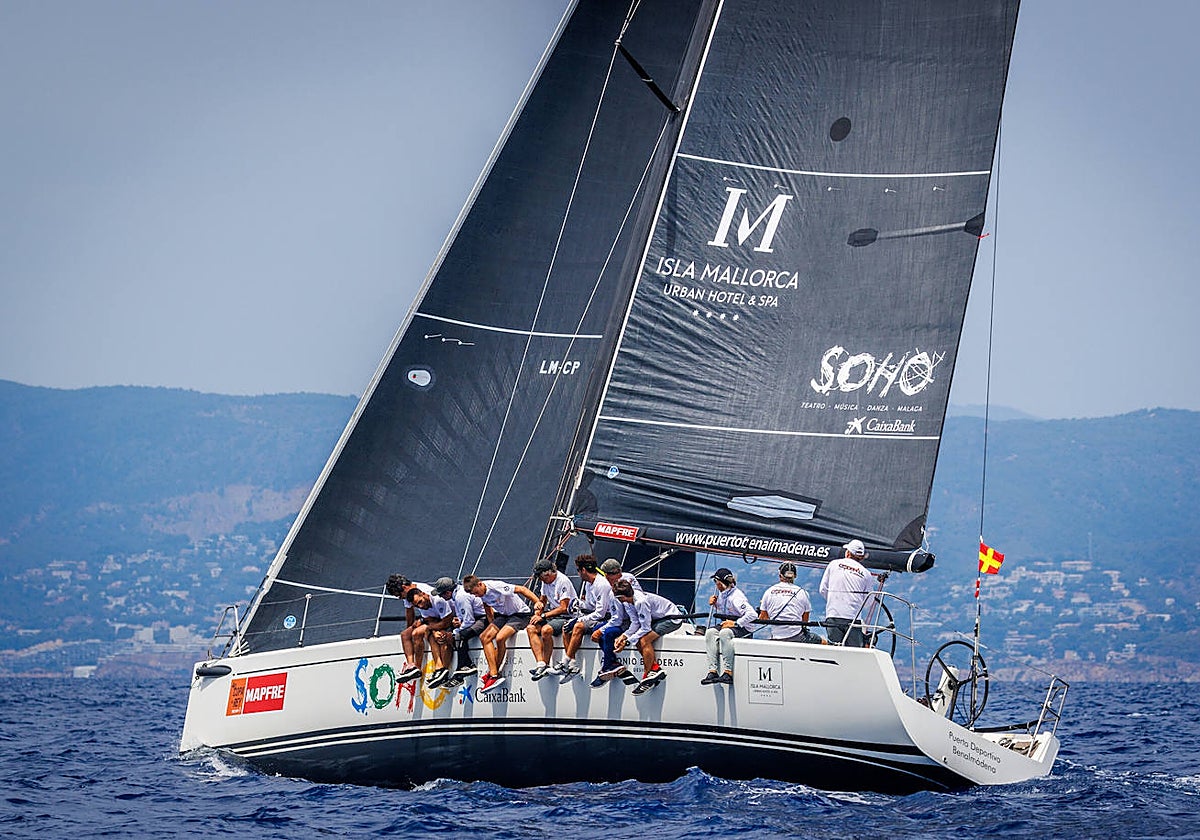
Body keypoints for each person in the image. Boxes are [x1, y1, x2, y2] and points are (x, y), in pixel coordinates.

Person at [603, 579, 683, 695]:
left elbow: (645, 628)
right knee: (637, 640)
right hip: (658, 618)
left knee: (644, 640)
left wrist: (627, 643)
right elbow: (635, 623)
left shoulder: (640, 602)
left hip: (672, 619)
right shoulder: (627, 602)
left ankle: (647, 676)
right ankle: (655, 669)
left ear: (622, 597)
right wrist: (623, 637)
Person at [463, 574, 538, 694]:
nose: (476, 595)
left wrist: (537, 602)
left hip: (520, 615)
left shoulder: (496, 586)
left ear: (480, 584)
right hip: (504, 616)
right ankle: (493, 673)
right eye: (474, 594)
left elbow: (522, 589)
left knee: (500, 638)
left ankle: (493, 675)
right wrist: (492, 624)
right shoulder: (481, 593)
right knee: (484, 637)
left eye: (476, 592)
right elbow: (487, 607)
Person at [819, 539, 883, 647]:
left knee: (834, 650)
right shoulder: (866, 573)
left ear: (848, 553)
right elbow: (869, 601)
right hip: (853, 618)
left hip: (833, 615)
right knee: (854, 652)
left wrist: (834, 600)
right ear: (861, 557)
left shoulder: (833, 564)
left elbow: (823, 590)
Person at [701, 567, 757, 685]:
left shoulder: (736, 597)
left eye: (716, 582)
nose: (715, 585)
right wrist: (716, 604)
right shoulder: (723, 594)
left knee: (724, 633)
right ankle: (713, 671)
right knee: (710, 632)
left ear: (720, 583)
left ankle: (728, 672)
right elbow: (726, 610)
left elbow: (752, 614)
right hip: (728, 623)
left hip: (743, 627)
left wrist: (736, 623)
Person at [526, 557, 578, 680]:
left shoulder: (562, 581)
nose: (540, 580)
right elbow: (543, 600)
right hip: (553, 615)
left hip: (567, 615)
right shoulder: (546, 582)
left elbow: (564, 608)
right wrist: (538, 611)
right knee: (530, 628)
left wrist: (543, 616)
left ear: (548, 573)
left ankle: (546, 662)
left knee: (546, 630)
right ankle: (541, 664)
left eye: (541, 577)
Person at [559, 554, 609, 682]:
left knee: (578, 626)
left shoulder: (602, 584)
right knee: (566, 627)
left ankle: (565, 661)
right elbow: (589, 605)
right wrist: (578, 603)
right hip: (594, 615)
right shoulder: (588, 584)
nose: (578, 573)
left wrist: (579, 619)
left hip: (605, 618)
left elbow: (600, 613)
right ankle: (573, 665)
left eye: (578, 570)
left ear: (583, 570)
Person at [406, 581, 457, 689]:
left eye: (420, 602)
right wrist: (434, 631)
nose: (420, 606)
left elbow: (446, 622)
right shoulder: (423, 607)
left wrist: (435, 630)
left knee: (442, 637)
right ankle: (438, 668)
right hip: (441, 621)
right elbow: (430, 621)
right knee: (428, 634)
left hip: (453, 618)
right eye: (417, 605)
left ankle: (444, 670)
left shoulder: (438, 600)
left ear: (424, 594)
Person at [757, 562, 823, 644]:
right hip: (798, 637)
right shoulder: (802, 592)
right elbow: (805, 621)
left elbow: (763, 619)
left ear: (780, 575)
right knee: (824, 642)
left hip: (777, 637)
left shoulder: (768, 592)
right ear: (795, 576)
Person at [441, 576, 487, 681]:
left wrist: (455, 632)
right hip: (476, 618)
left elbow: (469, 621)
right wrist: (458, 622)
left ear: (447, 593)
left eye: (441, 595)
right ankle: (462, 666)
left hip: (484, 618)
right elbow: (463, 617)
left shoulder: (460, 597)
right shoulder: (457, 595)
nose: (441, 597)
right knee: (457, 633)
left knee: (459, 636)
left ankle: (465, 666)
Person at [383, 573, 427, 684]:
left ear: (404, 587)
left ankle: (417, 667)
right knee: (405, 635)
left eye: (399, 595)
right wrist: (409, 629)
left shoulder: (423, 590)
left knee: (416, 633)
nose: (400, 598)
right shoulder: (407, 596)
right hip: (426, 619)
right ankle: (411, 666)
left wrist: (421, 622)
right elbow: (409, 613)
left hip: (435, 618)